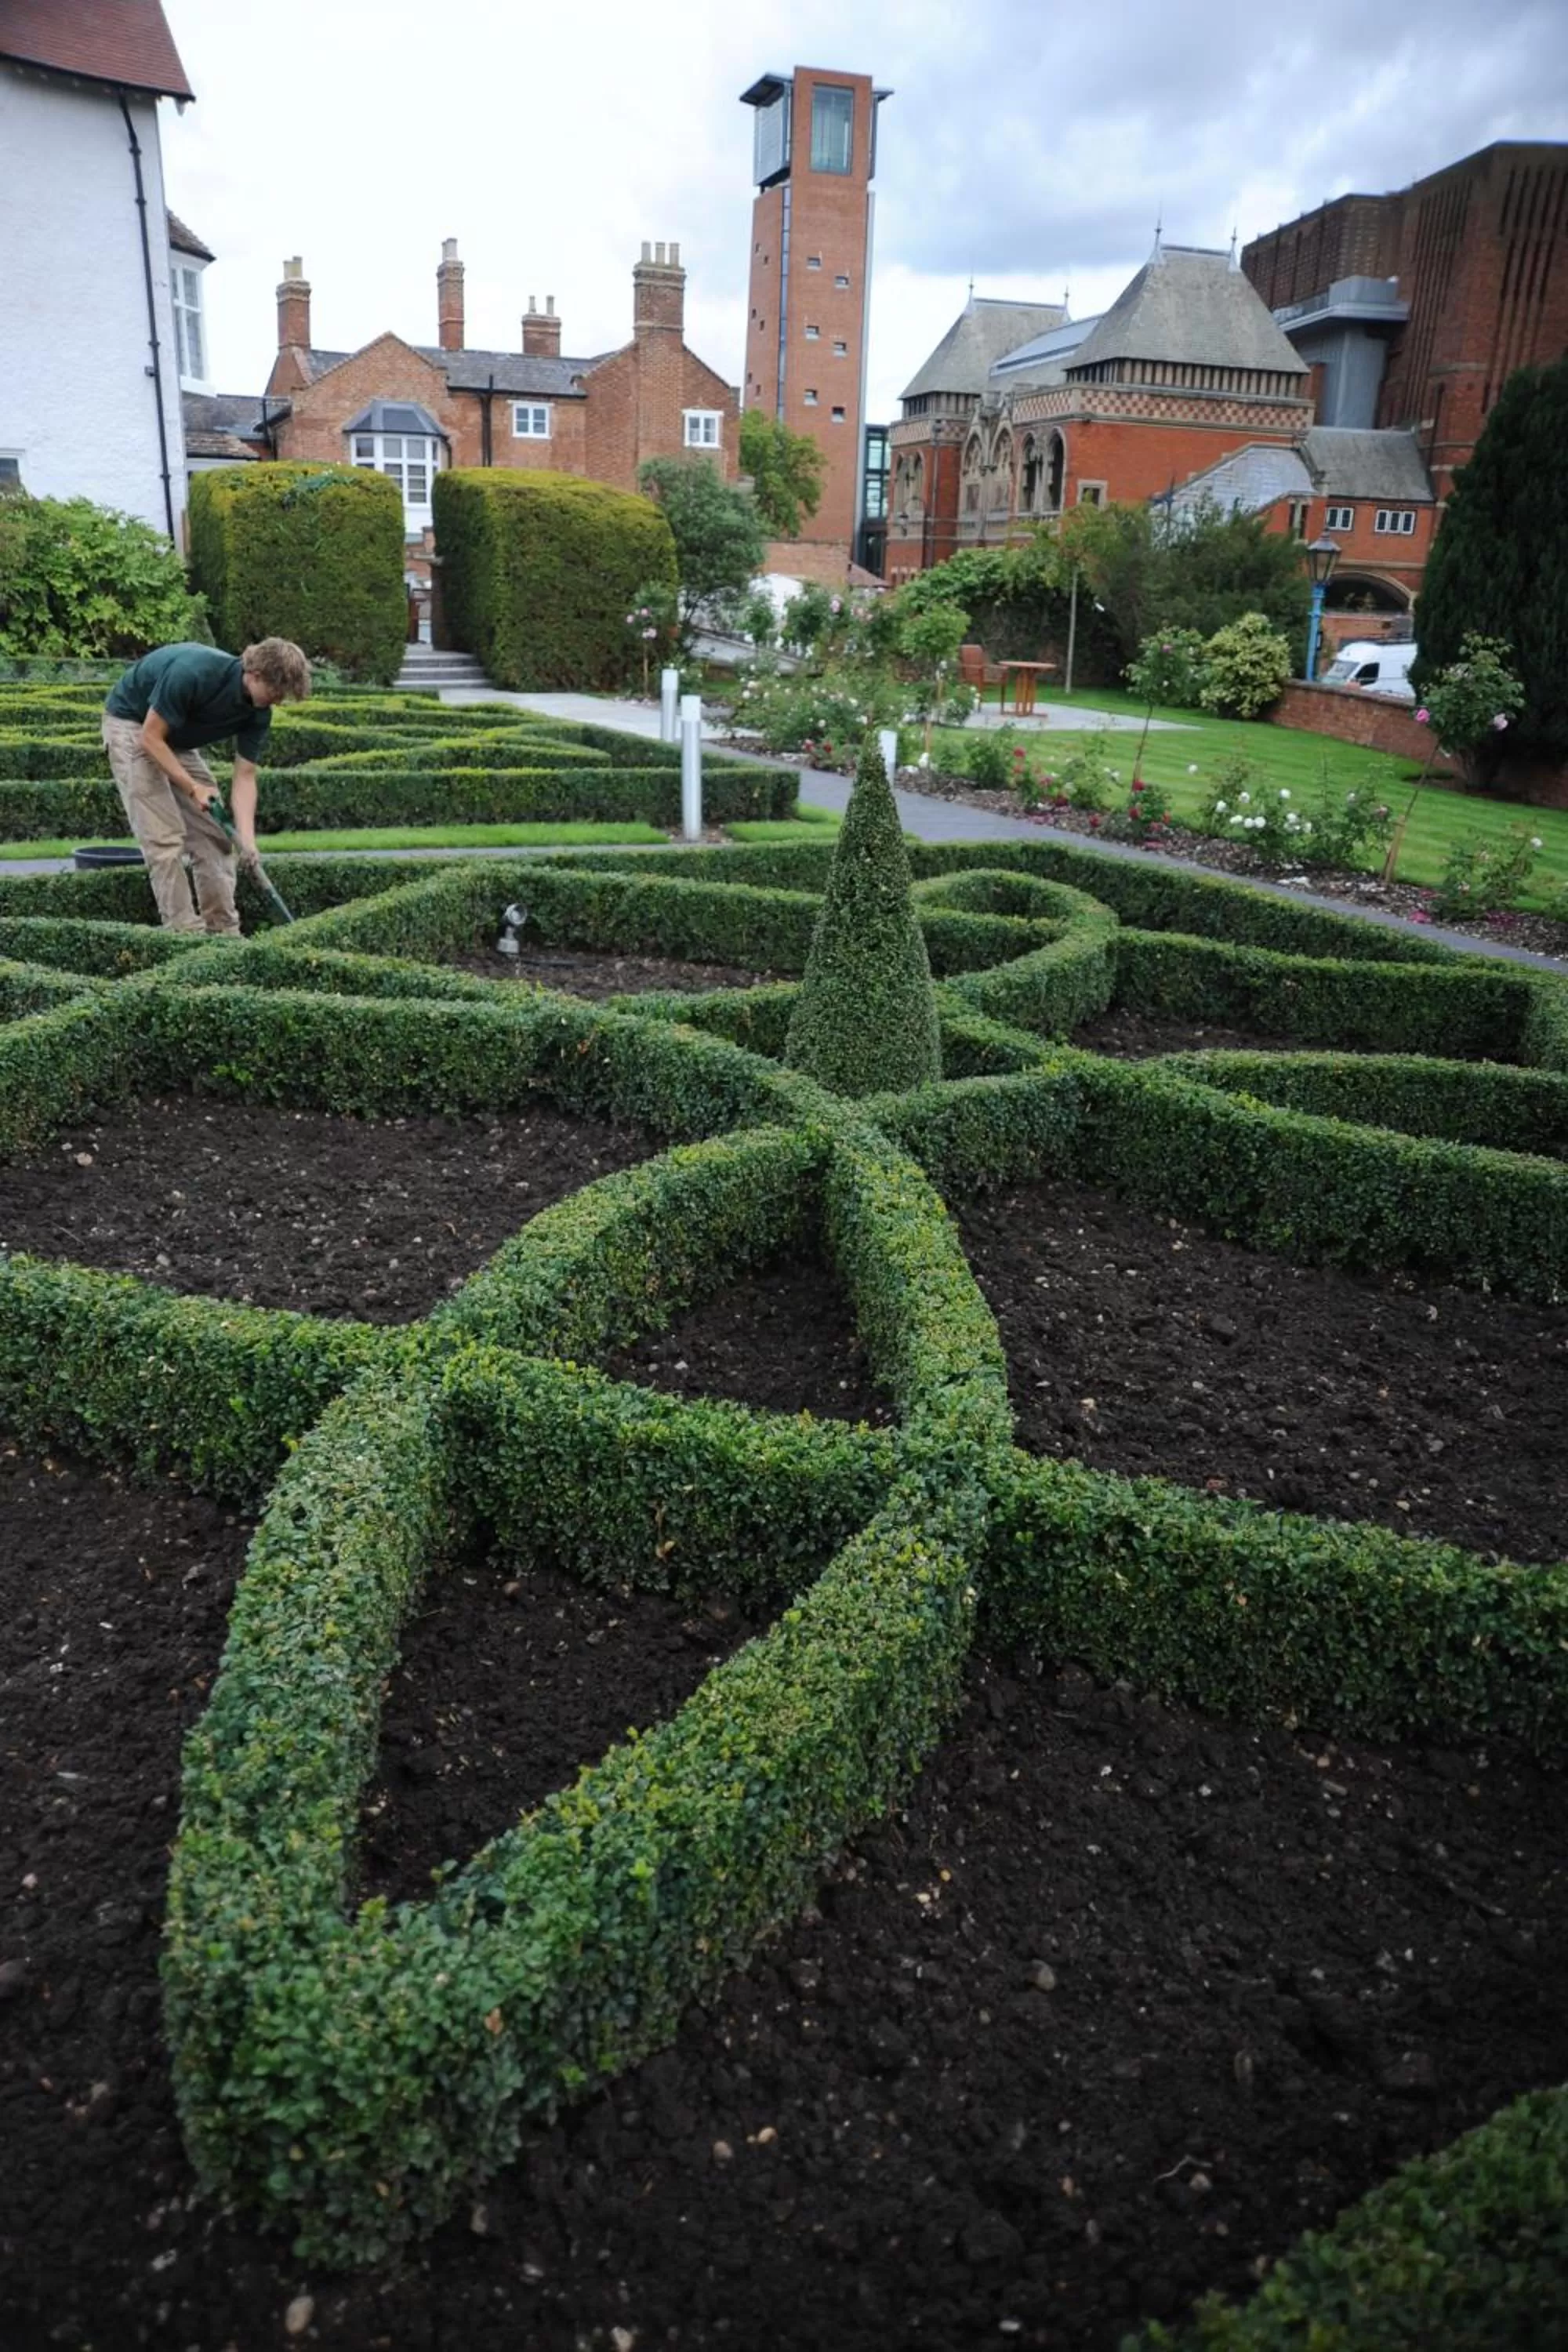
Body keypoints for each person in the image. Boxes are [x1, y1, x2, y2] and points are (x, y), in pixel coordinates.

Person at [101, 637, 311, 934]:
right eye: (276, 691)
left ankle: (223, 930)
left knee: (216, 835)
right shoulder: (194, 673)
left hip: (175, 738)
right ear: (254, 675)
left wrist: (248, 840)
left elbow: (245, 776)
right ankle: (183, 932)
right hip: (133, 726)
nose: (278, 700)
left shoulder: (259, 712)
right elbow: (150, 738)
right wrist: (192, 787)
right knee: (164, 838)